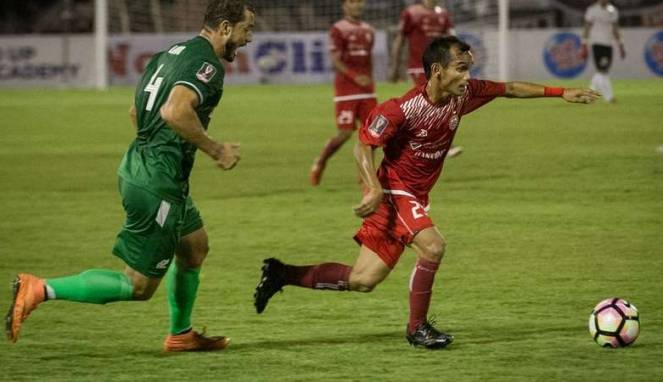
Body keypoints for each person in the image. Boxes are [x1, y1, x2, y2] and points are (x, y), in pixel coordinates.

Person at [254, 36, 600, 349]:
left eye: (469, 70)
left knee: (363, 280)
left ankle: (282, 273)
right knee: (433, 246)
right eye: (460, 69)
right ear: (437, 70)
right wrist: (372, 187)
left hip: (412, 197)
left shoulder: (463, 96)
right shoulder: (401, 109)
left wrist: (560, 93)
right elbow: (363, 145)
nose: (467, 77)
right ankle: (417, 328)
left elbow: (508, 88)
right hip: (393, 192)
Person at [5, 0, 255, 352]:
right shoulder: (207, 65)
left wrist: (157, 154)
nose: (249, 39)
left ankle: (181, 334)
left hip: (146, 168)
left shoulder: (170, 53)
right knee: (138, 286)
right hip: (157, 181)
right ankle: (40, 288)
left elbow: (135, 110)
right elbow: (174, 111)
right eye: (247, 29)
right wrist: (216, 150)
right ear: (226, 28)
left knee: (194, 247)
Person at [309, 0, 376, 186]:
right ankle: (321, 161)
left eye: (360, 1)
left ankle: (365, 175)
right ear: (345, 5)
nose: (358, 5)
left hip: (367, 91)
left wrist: (370, 82)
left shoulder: (369, 29)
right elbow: (335, 60)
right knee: (345, 134)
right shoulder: (338, 29)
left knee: (373, 132)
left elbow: (368, 59)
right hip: (346, 90)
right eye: (353, 2)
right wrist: (356, 77)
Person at [389, 0, 462, 158]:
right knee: (433, 102)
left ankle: (403, 135)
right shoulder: (411, 13)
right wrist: (395, 66)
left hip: (439, 66)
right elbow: (400, 39)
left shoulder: (442, 14)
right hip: (419, 66)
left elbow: (451, 39)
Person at [582, 0, 625, 103]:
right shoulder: (592, 10)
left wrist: (621, 45)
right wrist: (584, 44)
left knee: (602, 71)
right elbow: (587, 28)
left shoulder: (613, 10)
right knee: (602, 70)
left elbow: (615, 29)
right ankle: (609, 97)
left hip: (608, 44)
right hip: (597, 43)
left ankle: (589, 96)